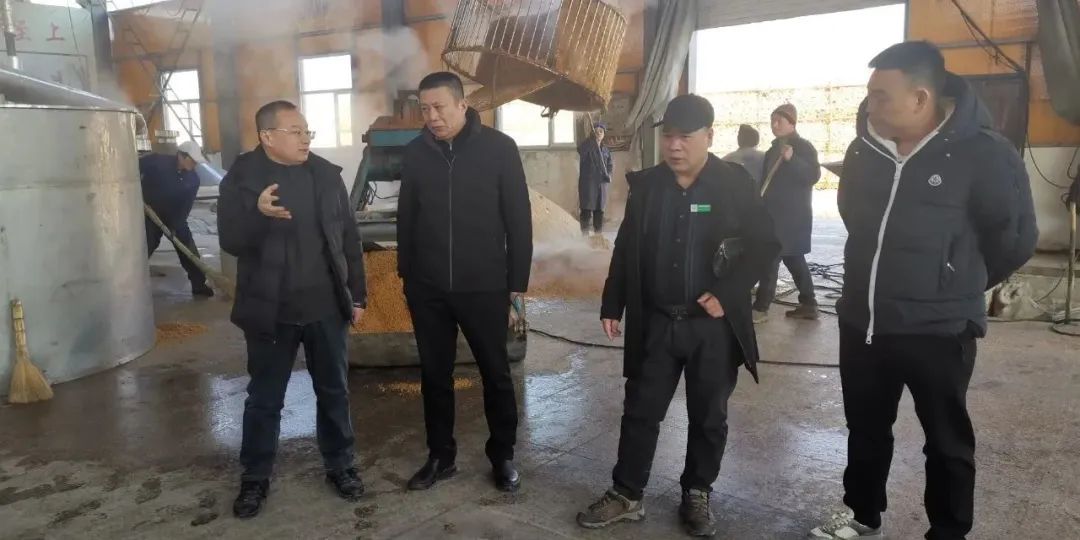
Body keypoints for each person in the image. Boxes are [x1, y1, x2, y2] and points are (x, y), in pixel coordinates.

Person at [809, 41, 1037, 540]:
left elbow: (1015, 239)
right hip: (864, 321)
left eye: (881, 96)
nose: (870, 106)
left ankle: (948, 531)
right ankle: (863, 516)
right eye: (870, 94)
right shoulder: (864, 150)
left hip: (939, 329)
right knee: (866, 428)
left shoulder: (983, 153)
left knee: (946, 439)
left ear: (920, 98)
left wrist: (953, 283)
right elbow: (853, 218)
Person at [576, 94, 779, 537]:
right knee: (640, 410)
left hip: (713, 329)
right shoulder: (649, 186)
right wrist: (613, 302)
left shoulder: (734, 185)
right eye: (668, 136)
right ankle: (627, 493)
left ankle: (697, 491)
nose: (674, 146)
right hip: (657, 322)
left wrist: (728, 293)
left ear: (709, 136)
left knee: (709, 416)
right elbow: (627, 247)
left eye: (685, 137)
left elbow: (766, 245)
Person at [218, 100, 368, 519]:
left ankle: (341, 465)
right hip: (271, 310)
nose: (305, 139)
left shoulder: (325, 175)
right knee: (265, 398)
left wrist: (356, 295)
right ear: (267, 137)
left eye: (307, 131)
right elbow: (231, 241)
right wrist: (258, 214)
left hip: (325, 306)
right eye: (296, 131)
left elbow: (349, 237)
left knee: (334, 391)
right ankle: (255, 476)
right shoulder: (243, 178)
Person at [397, 72, 532, 493]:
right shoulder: (416, 153)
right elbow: (407, 218)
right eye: (425, 109)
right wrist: (407, 276)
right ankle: (441, 456)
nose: (432, 116)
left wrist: (516, 284)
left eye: (439, 107)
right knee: (435, 375)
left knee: (496, 373)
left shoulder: (499, 149)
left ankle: (502, 455)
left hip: (484, 285)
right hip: (429, 288)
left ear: (462, 104)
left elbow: (519, 219)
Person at [752, 103, 822, 323]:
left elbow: (813, 176)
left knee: (771, 257)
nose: (774, 125)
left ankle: (760, 308)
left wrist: (793, 159)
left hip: (791, 216)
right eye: (772, 121)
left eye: (779, 121)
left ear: (792, 123)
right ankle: (809, 303)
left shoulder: (803, 147)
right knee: (793, 258)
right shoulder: (772, 150)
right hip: (773, 214)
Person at [140, 140, 214, 297]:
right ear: (181, 156)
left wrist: (176, 225)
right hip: (150, 214)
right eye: (192, 161)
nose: (194, 165)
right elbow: (131, 169)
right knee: (145, 247)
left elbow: (186, 206)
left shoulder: (193, 179)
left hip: (175, 216)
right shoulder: (157, 162)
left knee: (188, 250)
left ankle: (199, 284)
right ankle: (131, 282)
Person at [578, 121, 614, 235]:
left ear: (604, 134)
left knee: (599, 212)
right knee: (586, 211)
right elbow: (580, 150)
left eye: (601, 131)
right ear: (592, 133)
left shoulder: (605, 150)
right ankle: (584, 237)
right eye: (596, 131)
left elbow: (609, 165)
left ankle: (598, 237)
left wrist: (609, 174)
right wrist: (590, 141)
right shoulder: (587, 147)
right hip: (588, 184)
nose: (599, 133)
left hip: (601, 185)